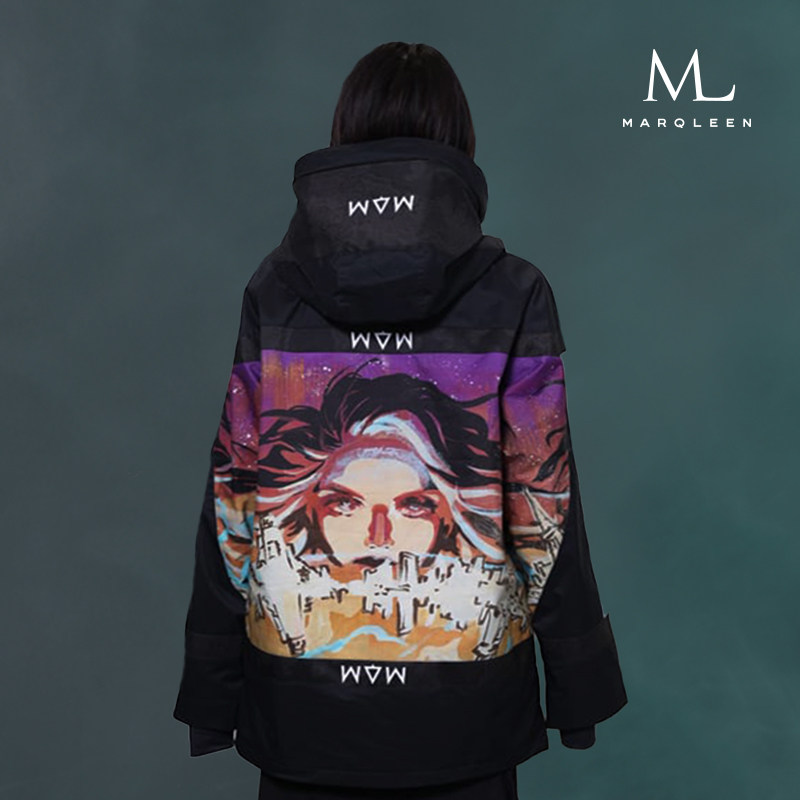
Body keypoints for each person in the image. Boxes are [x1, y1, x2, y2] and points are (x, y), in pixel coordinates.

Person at [173, 41, 628, 800]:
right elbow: (543, 508)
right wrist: (578, 687)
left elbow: (233, 499)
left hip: (302, 722)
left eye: (415, 503)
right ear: (461, 145)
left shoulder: (276, 288)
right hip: (466, 725)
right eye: (346, 502)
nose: (380, 536)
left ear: (345, 133)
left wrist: (212, 692)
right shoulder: (512, 293)